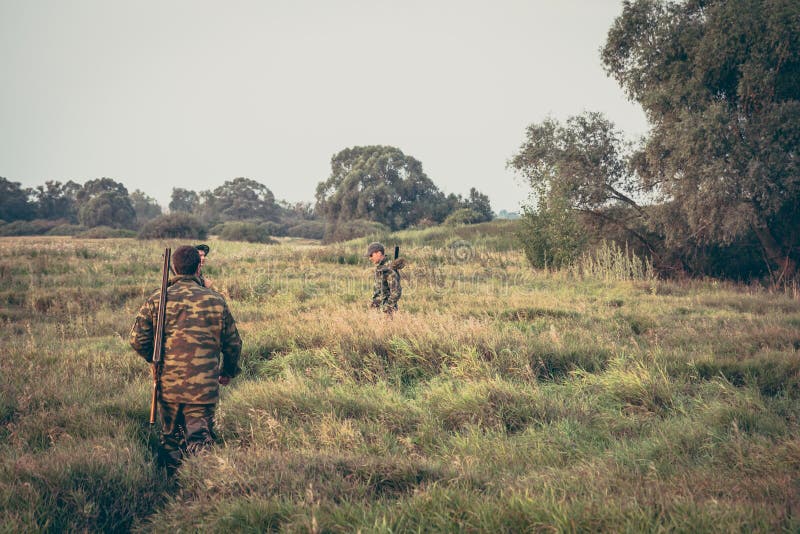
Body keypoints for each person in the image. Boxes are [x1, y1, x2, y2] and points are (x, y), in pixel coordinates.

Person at [129, 245, 242, 472]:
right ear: (198, 266)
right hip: (203, 389)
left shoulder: (157, 300)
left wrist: (156, 360)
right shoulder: (216, 301)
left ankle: (169, 485)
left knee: (170, 440)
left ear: (174, 268)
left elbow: (137, 340)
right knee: (200, 441)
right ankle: (200, 492)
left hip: (168, 385)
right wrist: (227, 372)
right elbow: (233, 344)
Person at [366, 242, 404, 314]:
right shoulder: (380, 268)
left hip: (387, 313)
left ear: (379, 253)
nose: (370, 258)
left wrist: (387, 309)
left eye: (371, 255)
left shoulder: (388, 270)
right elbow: (379, 292)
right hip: (378, 311)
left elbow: (396, 292)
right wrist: (373, 306)